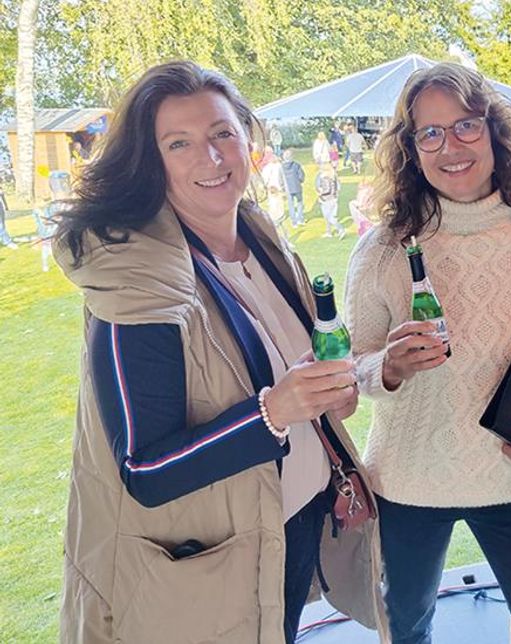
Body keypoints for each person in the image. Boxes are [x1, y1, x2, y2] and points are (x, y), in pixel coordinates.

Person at [53, 60, 387, 644]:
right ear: (149, 162)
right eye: (179, 143)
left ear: (247, 140)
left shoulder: (260, 238)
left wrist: (332, 452)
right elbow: (145, 470)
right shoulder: (139, 279)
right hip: (201, 567)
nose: (210, 158)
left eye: (221, 134)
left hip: (288, 524)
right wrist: (275, 412)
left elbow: (297, 380)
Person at [345, 62, 511, 644]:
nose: (450, 147)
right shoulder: (383, 249)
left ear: (493, 130)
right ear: (410, 148)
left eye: (464, 126)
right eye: (429, 133)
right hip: (408, 478)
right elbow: (353, 365)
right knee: (406, 630)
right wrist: (386, 366)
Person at [315, 162, 345, 239]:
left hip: (326, 199)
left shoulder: (323, 177)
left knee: (329, 217)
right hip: (334, 199)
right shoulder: (334, 176)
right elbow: (338, 187)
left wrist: (320, 194)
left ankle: (341, 229)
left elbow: (322, 189)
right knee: (329, 216)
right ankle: (328, 232)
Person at [281, 149, 306, 227]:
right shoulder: (296, 165)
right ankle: (300, 219)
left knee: (291, 204)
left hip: (288, 188)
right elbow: (301, 176)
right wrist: (300, 181)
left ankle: (294, 221)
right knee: (299, 203)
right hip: (297, 187)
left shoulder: (281, 167)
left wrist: (282, 186)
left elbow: (280, 178)